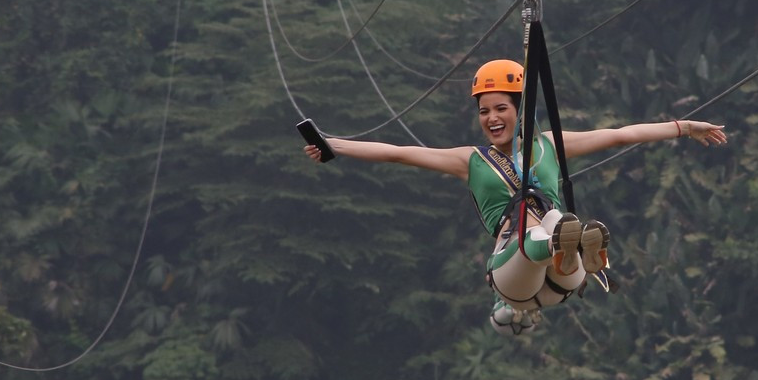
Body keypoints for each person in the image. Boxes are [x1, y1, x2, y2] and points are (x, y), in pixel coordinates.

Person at [304, 60, 726, 335]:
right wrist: (332, 144)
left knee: (554, 218)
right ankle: (571, 242)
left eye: (501, 108)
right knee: (537, 224)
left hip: (564, 278)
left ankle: (572, 244)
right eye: (484, 111)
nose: (492, 118)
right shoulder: (469, 160)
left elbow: (619, 134)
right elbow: (397, 154)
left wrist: (683, 127)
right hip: (514, 275)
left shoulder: (548, 144)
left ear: (518, 110)